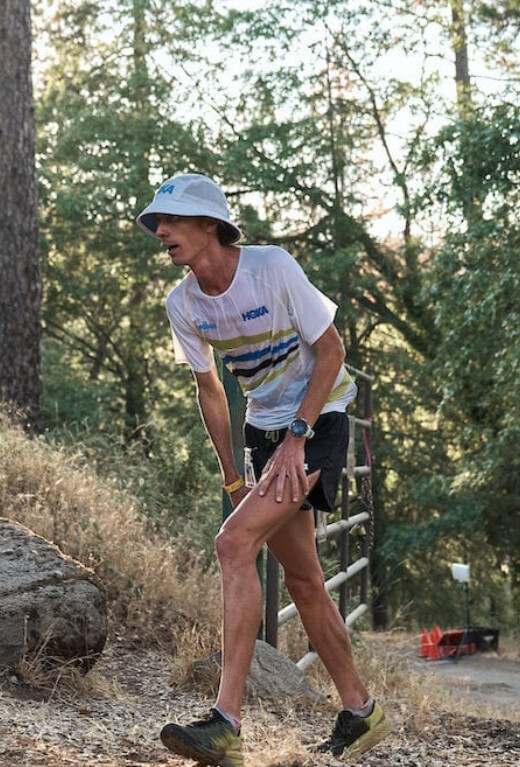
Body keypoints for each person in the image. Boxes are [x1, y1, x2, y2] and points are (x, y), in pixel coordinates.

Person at [136, 173, 392, 766]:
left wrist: (298, 437)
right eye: (157, 223)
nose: (161, 232)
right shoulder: (182, 304)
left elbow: (332, 351)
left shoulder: (271, 267)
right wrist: (233, 477)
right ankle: (361, 711)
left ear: (210, 225)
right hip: (263, 430)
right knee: (303, 580)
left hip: (320, 418)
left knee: (233, 544)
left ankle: (225, 722)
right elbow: (210, 390)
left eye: (171, 220)